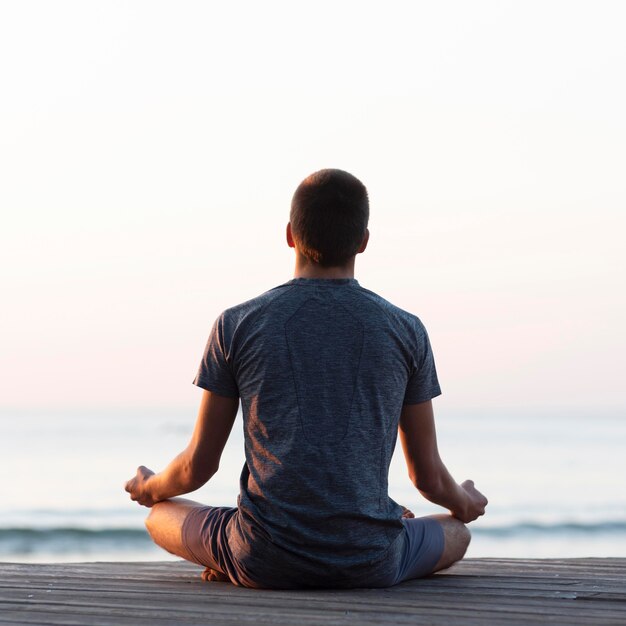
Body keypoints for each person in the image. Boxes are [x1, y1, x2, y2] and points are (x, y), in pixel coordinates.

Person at [125, 168, 488, 589]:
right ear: (364, 241)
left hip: (261, 558)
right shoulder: (406, 330)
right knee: (457, 532)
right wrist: (464, 500)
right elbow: (427, 477)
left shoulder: (237, 324)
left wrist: (151, 487)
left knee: (160, 517)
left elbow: (197, 465)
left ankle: (228, 560)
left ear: (289, 235)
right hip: (371, 562)